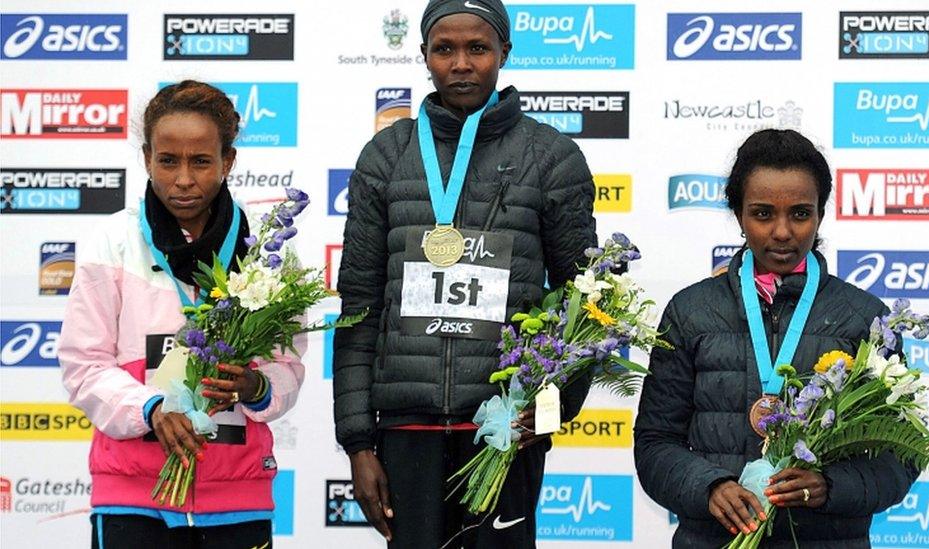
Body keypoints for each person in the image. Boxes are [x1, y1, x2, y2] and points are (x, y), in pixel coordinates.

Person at [332, 0, 598, 546]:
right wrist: (359, 445)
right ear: (424, 55)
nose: (460, 64)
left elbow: (583, 306)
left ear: (504, 52)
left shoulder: (551, 157)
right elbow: (358, 309)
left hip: (506, 432)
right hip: (405, 433)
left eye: (477, 48)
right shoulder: (385, 156)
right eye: (443, 49)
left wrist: (546, 412)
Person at [633, 129, 917, 548]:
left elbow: (901, 453)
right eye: (763, 214)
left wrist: (830, 486)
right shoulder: (690, 312)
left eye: (800, 214)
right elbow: (655, 443)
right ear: (738, 213)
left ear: (820, 214)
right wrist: (709, 487)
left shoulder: (864, 319)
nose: (782, 232)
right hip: (713, 539)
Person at [59, 80, 305, 549]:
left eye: (201, 161)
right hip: (133, 495)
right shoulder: (113, 241)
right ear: (147, 157)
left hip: (237, 496)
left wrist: (256, 387)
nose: (184, 179)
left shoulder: (267, 254)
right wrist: (149, 410)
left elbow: (288, 368)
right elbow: (83, 366)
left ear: (228, 161)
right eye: (168, 161)